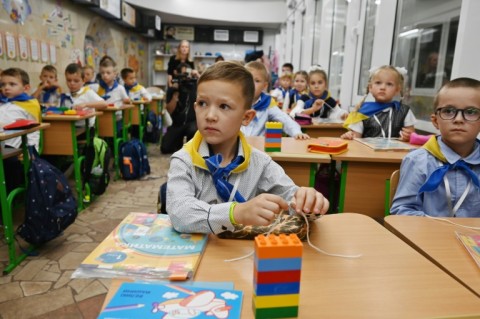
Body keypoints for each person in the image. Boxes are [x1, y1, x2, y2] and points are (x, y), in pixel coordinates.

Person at [166, 61, 329, 234]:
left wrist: (307, 201)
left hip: (242, 257)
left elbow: (291, 198)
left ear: (247, 117)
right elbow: (179, 213)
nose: (210, 115)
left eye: (224, 106)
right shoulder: (183, 160)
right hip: (199, 257)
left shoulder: (260, 163)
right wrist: (236, 213)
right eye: (203, 104)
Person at [391, 77, 480, 217]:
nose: (458, 119)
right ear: (435, 121)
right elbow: (402, 212)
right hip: (426, 237)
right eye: (449, 111)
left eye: (470, 112)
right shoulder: (418, 161)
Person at [341, 65, 416, 141]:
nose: (382, 87)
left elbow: (411, 135)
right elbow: (355, 139)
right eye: (378, 83)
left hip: (395, 152)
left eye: (389, 84)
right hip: (367, 152)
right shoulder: (362, 112)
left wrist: (409, 137)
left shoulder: (404, 111)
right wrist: (350, 136)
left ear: (397, 90)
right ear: (370, 88)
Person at [241, 61, 309, 139]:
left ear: (264, 85)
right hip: (236, 145)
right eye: (248, 79)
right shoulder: (236, 101)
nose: (251, 84)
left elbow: (284, 119)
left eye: (257, 81)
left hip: (258, 146)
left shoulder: (267, 102)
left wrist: (297, 132)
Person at [0, 68, 42, 194]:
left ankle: (5, 203)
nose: (6, 87)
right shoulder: (2, 102)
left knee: (9, 166)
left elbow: (34, 130)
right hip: (2, 146)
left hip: (14, 149)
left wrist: (31, 151)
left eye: (12, 84)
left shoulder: (30, 104)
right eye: (3, 84)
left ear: (26, 87)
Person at [161, 63, 198, 154]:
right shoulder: (173, 89)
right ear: (177, 74)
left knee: (193, 130)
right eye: (182, 75)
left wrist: (198, 76)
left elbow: (210, 85)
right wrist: (175, 96)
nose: (185, 77)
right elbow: (170, 110)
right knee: (166, 148)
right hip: (177, 123)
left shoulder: (196, 85)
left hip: (192, 122)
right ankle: (178, 142)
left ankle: (192, 146)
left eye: (187, 74)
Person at [60, 63, 107, 128]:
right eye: (69, 80)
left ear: (83, 81)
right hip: (70, 127)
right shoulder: (66, 95)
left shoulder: (87, 92)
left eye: (76, 81)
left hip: (86, 129)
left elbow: (104, 104)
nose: (72, 83)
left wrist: (86, 104)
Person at [90, 55, 129, 131]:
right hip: (101, 118)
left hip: (116, 119)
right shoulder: (98, 88)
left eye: (108, 73)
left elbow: (127, 101)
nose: (105, 75)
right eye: (102, 73)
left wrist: (123, 104)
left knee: (114, 132)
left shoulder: (120, 88)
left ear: (114, 74)